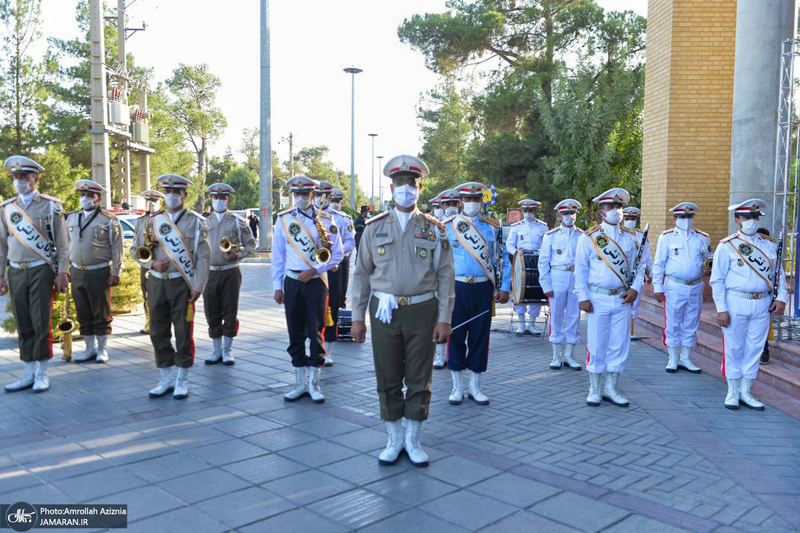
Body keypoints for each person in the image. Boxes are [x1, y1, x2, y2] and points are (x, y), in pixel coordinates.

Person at [351, 154, 454, 467]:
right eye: (400, 182)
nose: (406, 188)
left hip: (423, 311)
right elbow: (361, 274)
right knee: (388, 375)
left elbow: (446, 276)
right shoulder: (373, 228)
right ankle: (394, 437)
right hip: (383, 311)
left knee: (420, 378)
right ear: (391, 187)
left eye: (412, 182)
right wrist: (356, 318)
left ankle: (413, 438)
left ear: (420, 188)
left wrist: (445, 319)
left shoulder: (435, 229)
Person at [132, 174, 210, 400]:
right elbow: (136, 250)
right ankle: (165, 377)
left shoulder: (196, 222)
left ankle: (182, 379)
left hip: (182, 283)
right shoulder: (151, 221)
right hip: (156, 281)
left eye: (176, 192)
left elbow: (203, 257)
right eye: (168, 192)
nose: (171, 196)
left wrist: (199, 286)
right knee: (158, 331)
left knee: (184, 332)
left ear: (185, 195)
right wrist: (151, 262)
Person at [710, 198, 787, 410]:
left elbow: (778, 275)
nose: (751, 221)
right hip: (736, 303)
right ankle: (732, 391)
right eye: (747, 217)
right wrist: (721, 310)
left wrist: (781, 298)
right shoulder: (727, 246)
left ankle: (746, 391)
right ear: (738, 220)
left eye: (755, 217)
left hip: (762, 304)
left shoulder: (770, 244)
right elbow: (717, 280)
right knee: (735, 347)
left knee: (755, 349)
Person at [1, 156, 69, 393]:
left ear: (36, 178)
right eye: (16, 177)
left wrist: (62, 272)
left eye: (24, 177)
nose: (19, 181)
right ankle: (28, 372)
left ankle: (42, 373)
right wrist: (1, 275)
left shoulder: (51, 205)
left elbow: (63, 243)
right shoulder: (7, 208)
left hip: (41, 269)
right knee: (23, 322)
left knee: (41, 322)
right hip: (16, 271)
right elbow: (2, 246)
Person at [272, 176, 343, 404]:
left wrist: (314, 269)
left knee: (316, 331)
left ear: (313, 195)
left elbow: (338, 254)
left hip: (316, 282)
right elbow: (278, 256)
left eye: (305, 194)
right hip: (292, 282)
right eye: (297, 195)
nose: (301, 198)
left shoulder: (326, 219)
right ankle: (299, 383)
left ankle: (314, 384)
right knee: (295, 331)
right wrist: (277, 286)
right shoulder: (283, 220)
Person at [575, 188, 644, 407]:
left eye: (619, 207)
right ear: (601, 212)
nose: (617, 211)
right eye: (611, 207)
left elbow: (639, 267)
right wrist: (582, 297)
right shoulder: (590, 238)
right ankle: (594, 389)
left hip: (622, 298)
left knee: (619, 344)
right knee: (597, 344)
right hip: (597, 298)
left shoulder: (632, 237)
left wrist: (635, 288)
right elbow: (581, 270)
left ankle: (611, 388)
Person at [445, 182, 504, 406]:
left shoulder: (491, 227)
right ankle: (457, 387)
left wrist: (505, 286)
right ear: (460, 202)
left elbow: (502, 258)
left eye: (476, 199)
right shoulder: (448, 226)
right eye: (468, 200)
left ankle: (475, 387)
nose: (472, 204)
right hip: (457, 287)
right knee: (456, 335)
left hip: (482, 287)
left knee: (480, 336)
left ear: (482, 201)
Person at [652, 202, 712, 374]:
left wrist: (710, 267)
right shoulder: (667, 237)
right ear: (675, 218)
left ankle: (686, 358)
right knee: (673, 322)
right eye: (682, 217)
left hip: (695, 285)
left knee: (691, 322)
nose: (686, 220)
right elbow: (659, 264)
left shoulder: (702, 237)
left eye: (689, 216)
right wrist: (657, 286)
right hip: (674, 285)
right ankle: (673, 358)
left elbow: (708, 259)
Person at [67, 180, 123, 364]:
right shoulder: (72, 218)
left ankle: (102, 349)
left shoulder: (109, 219)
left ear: (98, 198)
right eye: (83, 195)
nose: (85, 198)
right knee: (83, 311)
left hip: (99, 272)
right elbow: (65, 245)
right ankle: (89, 348)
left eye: (90, 196)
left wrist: (116, 271)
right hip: (76, 271)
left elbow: (117, 247)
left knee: (101, 312)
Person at [203, 183, 257, 366]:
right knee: (211, 312)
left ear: (228, 199)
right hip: (209, 273)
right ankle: (216, 350)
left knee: (229, 311)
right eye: (215, 197)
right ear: (211, 199)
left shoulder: (237, 221)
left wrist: (238, 254)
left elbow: (251, 244)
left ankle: (227, 350)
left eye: (222, 197)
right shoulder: (203, 221)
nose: (218, 200)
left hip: (230, 272)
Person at [539, 199, 583, 370]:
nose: (569, 217)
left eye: (572, 213)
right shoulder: (551, 236)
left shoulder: (582, 236)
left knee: (574, 316)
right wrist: (546, 285)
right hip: (557, 276)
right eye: (565, 213)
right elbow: (543, 263)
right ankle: (556, 355)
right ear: (559, 216)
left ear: (576, 215)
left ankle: (569, 356)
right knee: (556, 315)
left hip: (576, 277)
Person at [316, 182, 355, 366]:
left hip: (334, 267)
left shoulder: (341, 219)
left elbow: (350, 242)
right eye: (317, 194)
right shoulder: (306, 217)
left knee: (331, 307)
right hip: (312, 269)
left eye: (326, 195)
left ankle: (327, 349)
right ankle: (313, 345)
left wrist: (335, 253)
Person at [506, 199, 548, 334]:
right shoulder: (516, 227)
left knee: (536, 291)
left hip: (538, 262)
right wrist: (517, 253)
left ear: (535, 211)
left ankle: (532, 324)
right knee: (519, 291)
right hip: (521, 262)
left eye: (530, 211)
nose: (528, 213)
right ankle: (521, 324)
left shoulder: (543, 227)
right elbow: (509, 244)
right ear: (522, 211)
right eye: (525, 211)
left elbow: (546, 245)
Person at [432, 189, 459, 369]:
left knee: (457, 319)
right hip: (440, 280)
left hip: (460, 279)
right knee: (439, 317)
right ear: (441, 206)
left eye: (454, 204)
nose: (451, 207)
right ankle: (440, 355)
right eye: (447, 204)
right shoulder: (435, 226)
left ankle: (454, 354)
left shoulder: (465, 226)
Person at [133, 190, 164, 335]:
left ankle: (160, 322)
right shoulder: (140, 221)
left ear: (160, 203)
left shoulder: (165, 220)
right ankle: (148, 322)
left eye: (154, 202)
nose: (151, 205)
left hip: (162, 264)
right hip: (147, 264)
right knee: (146, 295)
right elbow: (135, 247)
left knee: (161, 296)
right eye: (148, 202)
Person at [622, 207, 653, 340]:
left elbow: (647, 257)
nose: (630, 221)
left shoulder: (641, 236)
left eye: (632, 219)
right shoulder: (619, 234)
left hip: (638, 274)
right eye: (627, 219)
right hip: (622, 273)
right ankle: (622, 330)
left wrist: (650, 273)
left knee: (635, 303)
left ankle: (630, 331)